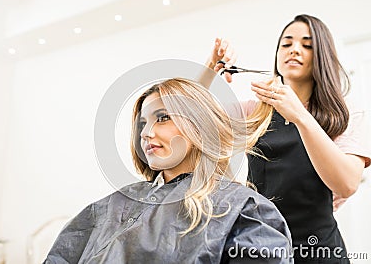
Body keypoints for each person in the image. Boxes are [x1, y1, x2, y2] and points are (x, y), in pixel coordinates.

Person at [44, 78, 293, 263]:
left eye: (162, 117)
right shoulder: (114, 205)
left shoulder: (243, 209)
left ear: (198, 124)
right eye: (143, 123)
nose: (146, 133)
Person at [200, 14, 371, 263]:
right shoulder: (254, 112)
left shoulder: (345, 113)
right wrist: (208, 75)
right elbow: (189, 120)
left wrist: (300, 116)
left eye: (307, 45)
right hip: (260, 247)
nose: (294, 50)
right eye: (287, 43)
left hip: (321, 250)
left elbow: (346, 183)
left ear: (322, 54)